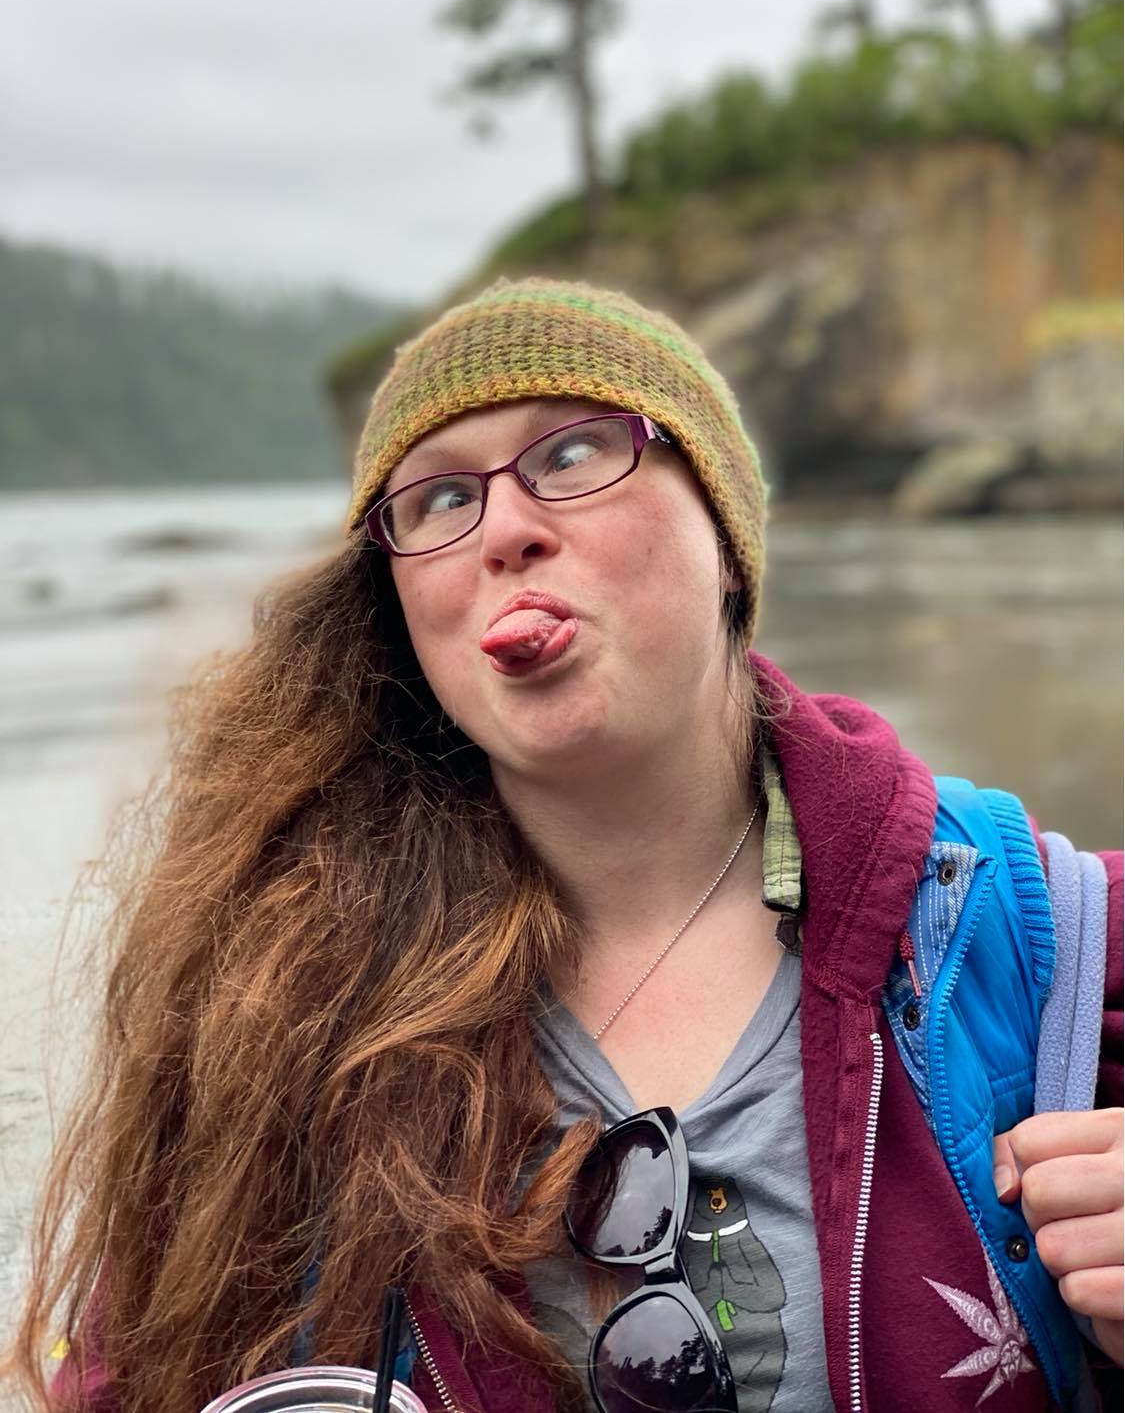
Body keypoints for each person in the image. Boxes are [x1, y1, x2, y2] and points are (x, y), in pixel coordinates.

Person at [5, 277, 1121, 1413]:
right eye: (440, 499)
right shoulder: (269, 1019)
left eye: (575, 453)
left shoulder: (1049, 944)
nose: (504, 531)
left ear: (726, 535)